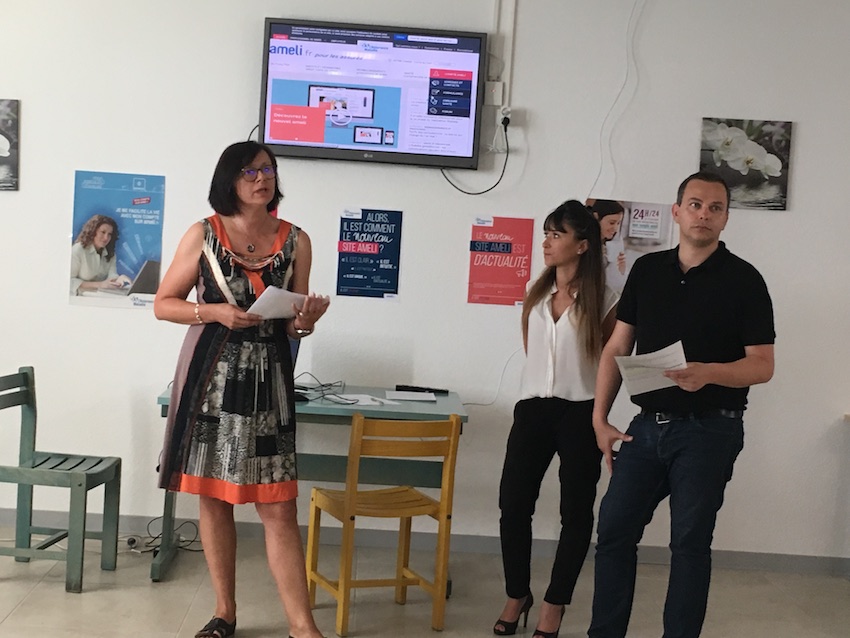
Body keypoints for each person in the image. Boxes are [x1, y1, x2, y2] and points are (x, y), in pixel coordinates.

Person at [587, 172, 775, 638]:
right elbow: (617, 346)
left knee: (689, 544)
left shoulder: (745, 280)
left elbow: (762, 365)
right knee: (613, 531)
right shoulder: (648, 271)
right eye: (695, 204)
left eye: (715, 208)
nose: (703, 215)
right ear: (676, 212)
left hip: (711, 430)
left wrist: (709, 372)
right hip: (646, 426)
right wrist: (599, 417)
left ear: (726, 219)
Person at [154, 141, 329, 638]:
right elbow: (164, 303)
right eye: (250, 171)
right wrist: (213, 311)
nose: (262, 178)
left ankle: (302, 626)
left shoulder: (297, 240)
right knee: (214, 499)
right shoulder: (204, 233)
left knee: (278, 504)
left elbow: (293, 324)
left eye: (268, 170)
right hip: (210, 379)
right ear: (229, 179)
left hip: (269, 383)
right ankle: (224, 612)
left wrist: (306, 321)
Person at [494, 201, 619, 638]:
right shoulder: (536, 292)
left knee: (576, 512)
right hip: (533, 407)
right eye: (546, 234)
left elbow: (610, 365)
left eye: (556, 234)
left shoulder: (606, 300)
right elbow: (534, 350)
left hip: (581, 410)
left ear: (582, 245)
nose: (546, 243)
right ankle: (517, 594)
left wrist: (600, 417)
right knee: (513, 504)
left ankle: (554, 604)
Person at [70, 214, 132, 295]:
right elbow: (69, 281)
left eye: (109, 234)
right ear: (93, 231)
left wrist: (119, 279)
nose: (106, 238)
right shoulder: (78, 249)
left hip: (100, 297)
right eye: (103, 232)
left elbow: (111, 275)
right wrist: (100, 284)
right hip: (78, 298)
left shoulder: (110, 253)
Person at [586, 199, 627, 291]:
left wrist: (620, 269)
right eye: (611, 223)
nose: (615, 228)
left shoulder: (615, 241)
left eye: (618, 223)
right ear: (596, 217)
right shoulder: (585, 243)